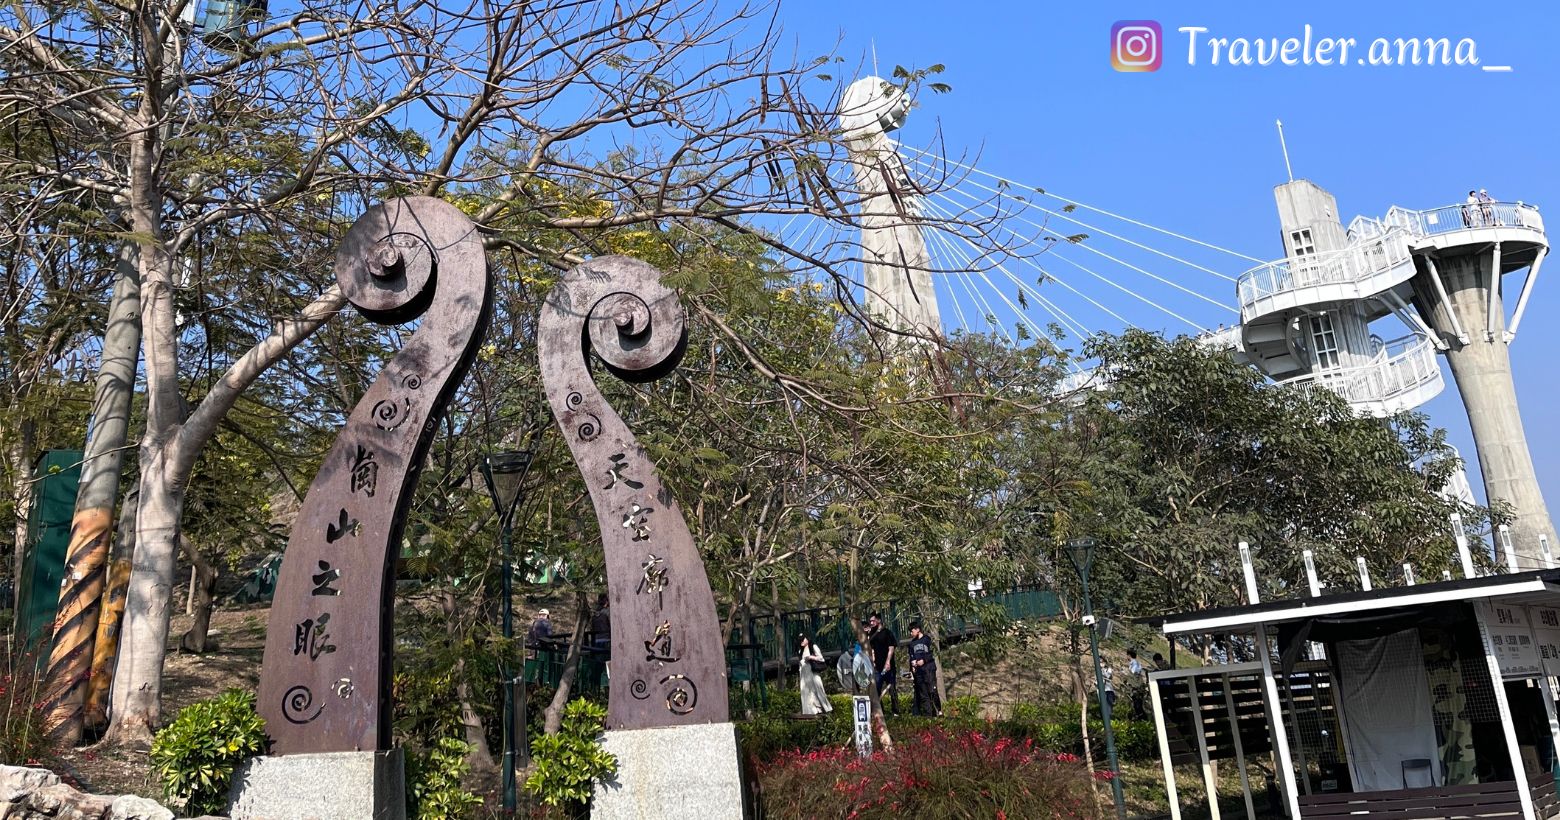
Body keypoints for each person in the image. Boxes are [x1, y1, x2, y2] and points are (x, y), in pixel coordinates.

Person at [866, 613, 899, 715]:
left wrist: (888, 661)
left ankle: (896, 712)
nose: (871, 623)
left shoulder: (887, 633)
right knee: (877, 689)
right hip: (878, 667)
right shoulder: (872, 634)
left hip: (888, 667)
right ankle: (881, 712)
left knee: (892, 688)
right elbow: (871, 649)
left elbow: (891, 647)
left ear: (879, 620)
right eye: (870, 621)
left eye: (873, 620)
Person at [907, 622, 941, 717]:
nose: (911, 633)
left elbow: (932, 654)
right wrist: (912, 666)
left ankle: (938, 710)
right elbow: (911, 656)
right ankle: (928, 715)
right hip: (919, 672)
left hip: (929, 669)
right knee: (923, 694)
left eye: (912, 631)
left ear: (918, 629)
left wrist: (924, 660)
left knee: (932, 691)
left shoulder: (927, 639)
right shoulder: (912, 644)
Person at [798, 635, 833, 715]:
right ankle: (811, 711)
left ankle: (823, 708)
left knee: (817, 689)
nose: (802, 642)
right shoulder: (800, 650)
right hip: (804, 674)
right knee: (806, 691)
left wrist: (810, 657)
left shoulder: (813, 647)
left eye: (803, 639)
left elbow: (821, 658)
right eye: (800, 640)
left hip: (812, 672)